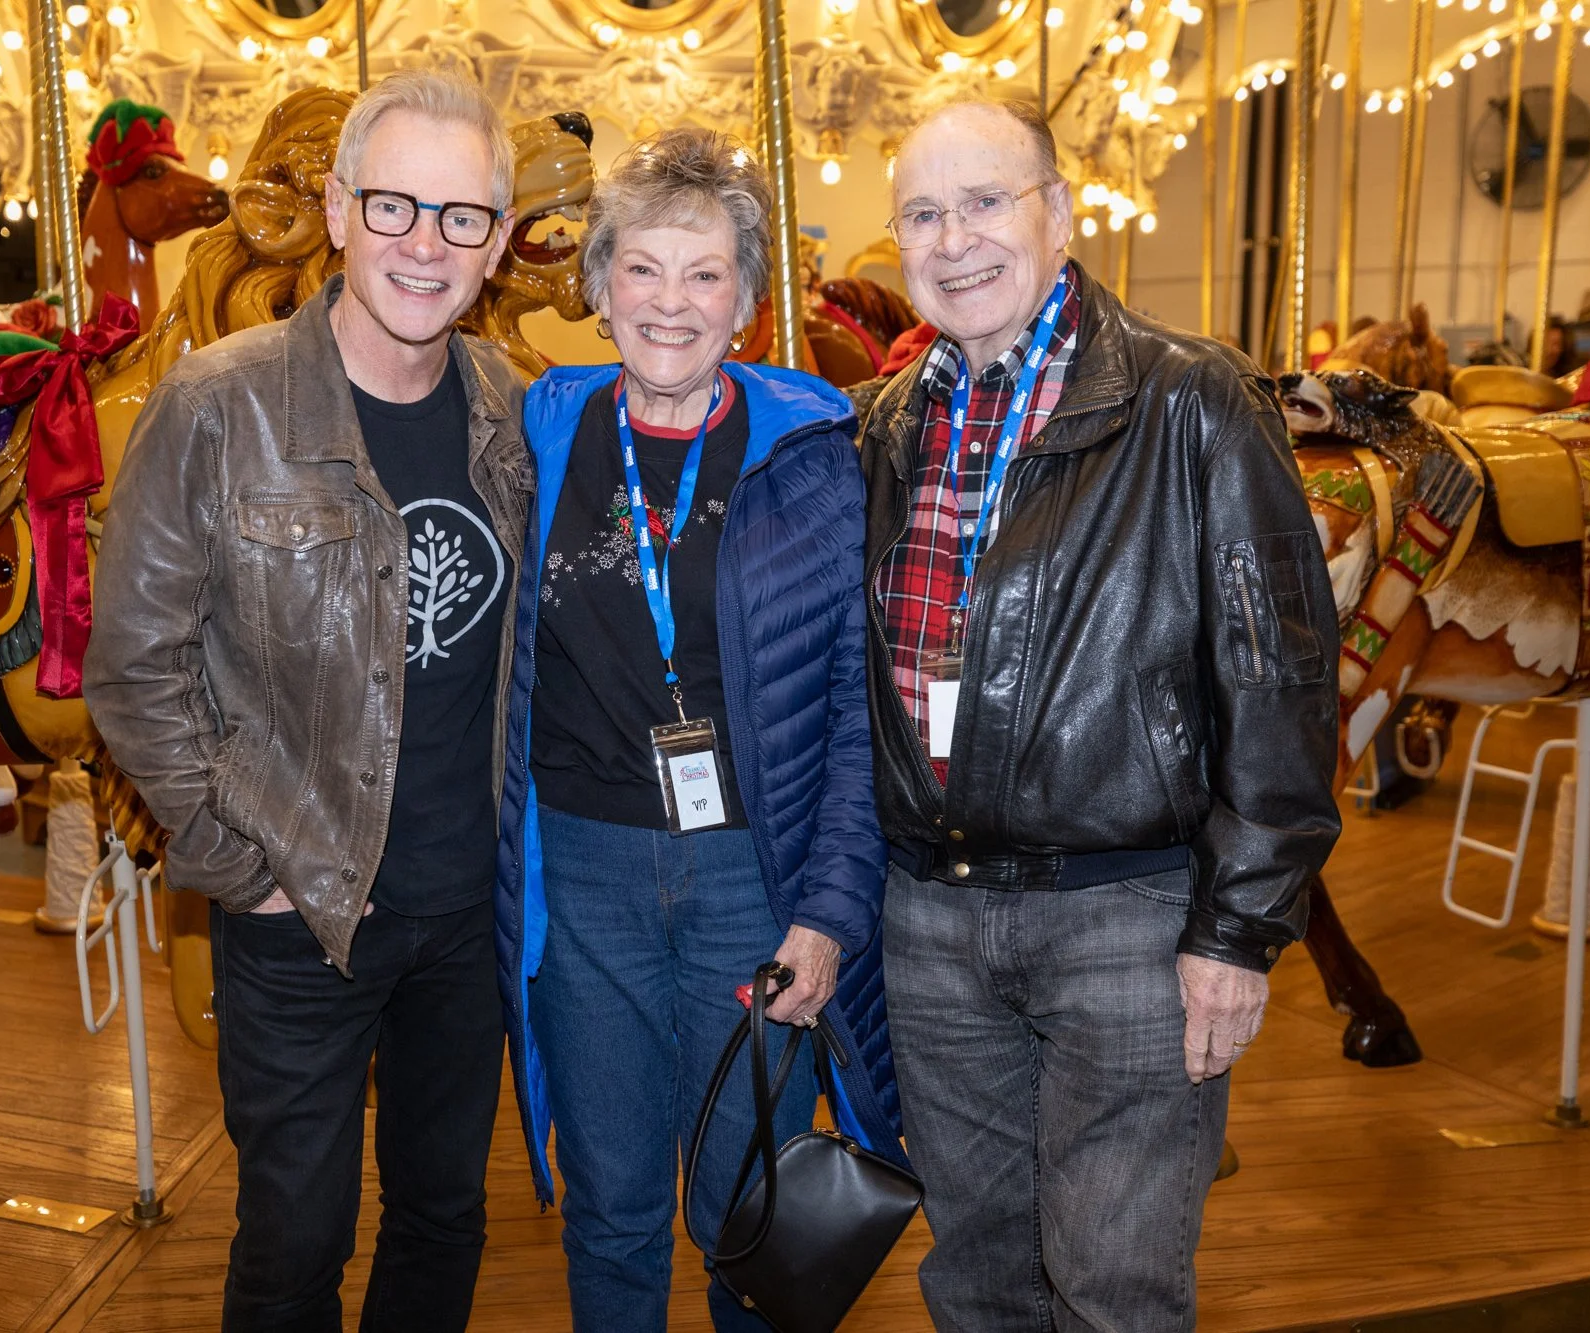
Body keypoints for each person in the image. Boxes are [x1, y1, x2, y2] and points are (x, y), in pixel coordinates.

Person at [859, 99, 1341, 1329]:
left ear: (1060, 217)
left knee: (1113, 1284)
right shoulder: (885, 423)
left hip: (1123, 915)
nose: (953, 238)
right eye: (922, 213)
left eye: (985, 202)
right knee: (972, 1275)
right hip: (929, 913)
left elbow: (1279, 679)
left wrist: (1236, 932)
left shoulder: (1190, 403)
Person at [85, 70, 530, 1332]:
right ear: (335, 210)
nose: (422, 244)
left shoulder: (509, 408)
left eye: (459, 217)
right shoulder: (220, 404)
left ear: (496, 243)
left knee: (445, 1218)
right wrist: (242, 862)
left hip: (465, 919)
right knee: (295, 1241)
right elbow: (133, 666)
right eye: (393, 205)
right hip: (302, 908)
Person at [492, 127, 904, 1332]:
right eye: (641, 269)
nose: (670, 302)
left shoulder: (818, 461)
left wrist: (828, 912)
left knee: (747, 1206)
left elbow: (849, 709)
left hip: (751, 878)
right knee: (610, 1204)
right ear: (597, 283)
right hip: (582, 877)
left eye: (705, 273)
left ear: (748, 300)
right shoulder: (536, 432)